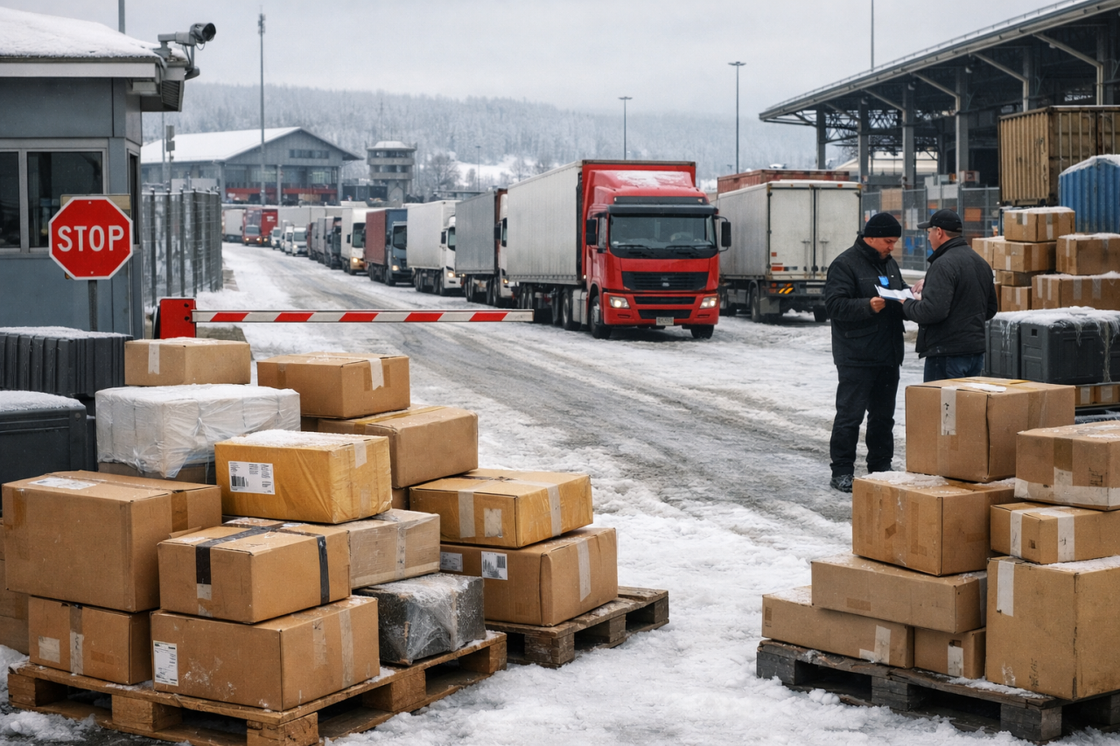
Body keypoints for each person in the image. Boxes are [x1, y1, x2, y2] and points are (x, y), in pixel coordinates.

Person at [824, 213, 907, 493]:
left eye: (894, 242)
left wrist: (910, 294)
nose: (891, 247)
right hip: (856, 355)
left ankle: (881, 466)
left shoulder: (890, 264)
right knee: (850, 416)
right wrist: (866, 306)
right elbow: (833, 305)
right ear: (870, 237)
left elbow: (897, 292)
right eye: (887, 241)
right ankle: (842, 471)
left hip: (888, 354)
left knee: (884, 417)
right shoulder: (845, 264)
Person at [902, 209, 997, 382]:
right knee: (965, 406)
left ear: (939, 232)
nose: (928, 236)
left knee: (942, 407)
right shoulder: (980, 262)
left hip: (946, 354)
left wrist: (906, 303)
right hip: (974, 353)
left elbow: (933, 311)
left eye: (929, 231)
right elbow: (989, 309)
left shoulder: (943, 264)